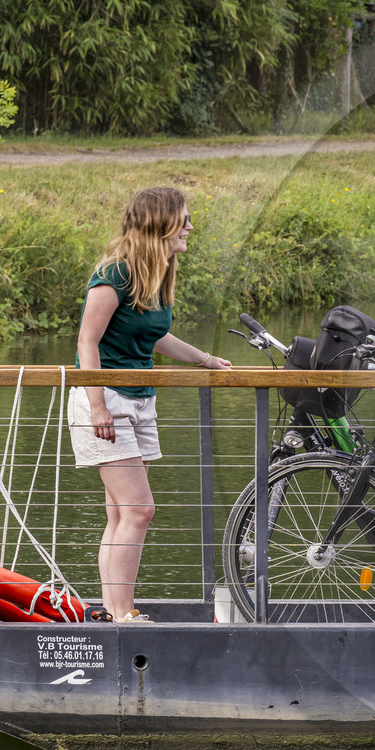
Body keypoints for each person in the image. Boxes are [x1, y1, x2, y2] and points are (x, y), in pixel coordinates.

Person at [70, 187, 231, 623]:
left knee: (121, 513)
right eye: (184, 220)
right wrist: (98, 405)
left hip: (140, 401)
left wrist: (205, 360)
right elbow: (87, 341)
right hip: (105, 401)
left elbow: (153, 335)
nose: (190, 228)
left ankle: (112, 611)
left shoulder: (153, 273)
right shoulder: (114, 274)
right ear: (160, 224)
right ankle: (124, 616)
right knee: (139, 510)